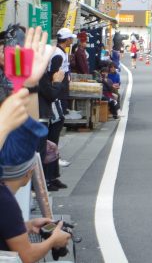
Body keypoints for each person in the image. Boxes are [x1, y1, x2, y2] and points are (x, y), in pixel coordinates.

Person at [0, 117, 71, 262]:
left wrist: (27, 226)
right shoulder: (5, 201)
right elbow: (27, 256)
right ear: (29, 171)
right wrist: (54, 240)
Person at [37, 28, 75, 192]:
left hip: (55, 101)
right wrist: (58, 83)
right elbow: (51, 88)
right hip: (52, 103)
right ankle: (48, 178)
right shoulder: (55, 58)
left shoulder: (55, 57)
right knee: (50, 142)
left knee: (52, 143)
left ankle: (53, 176)